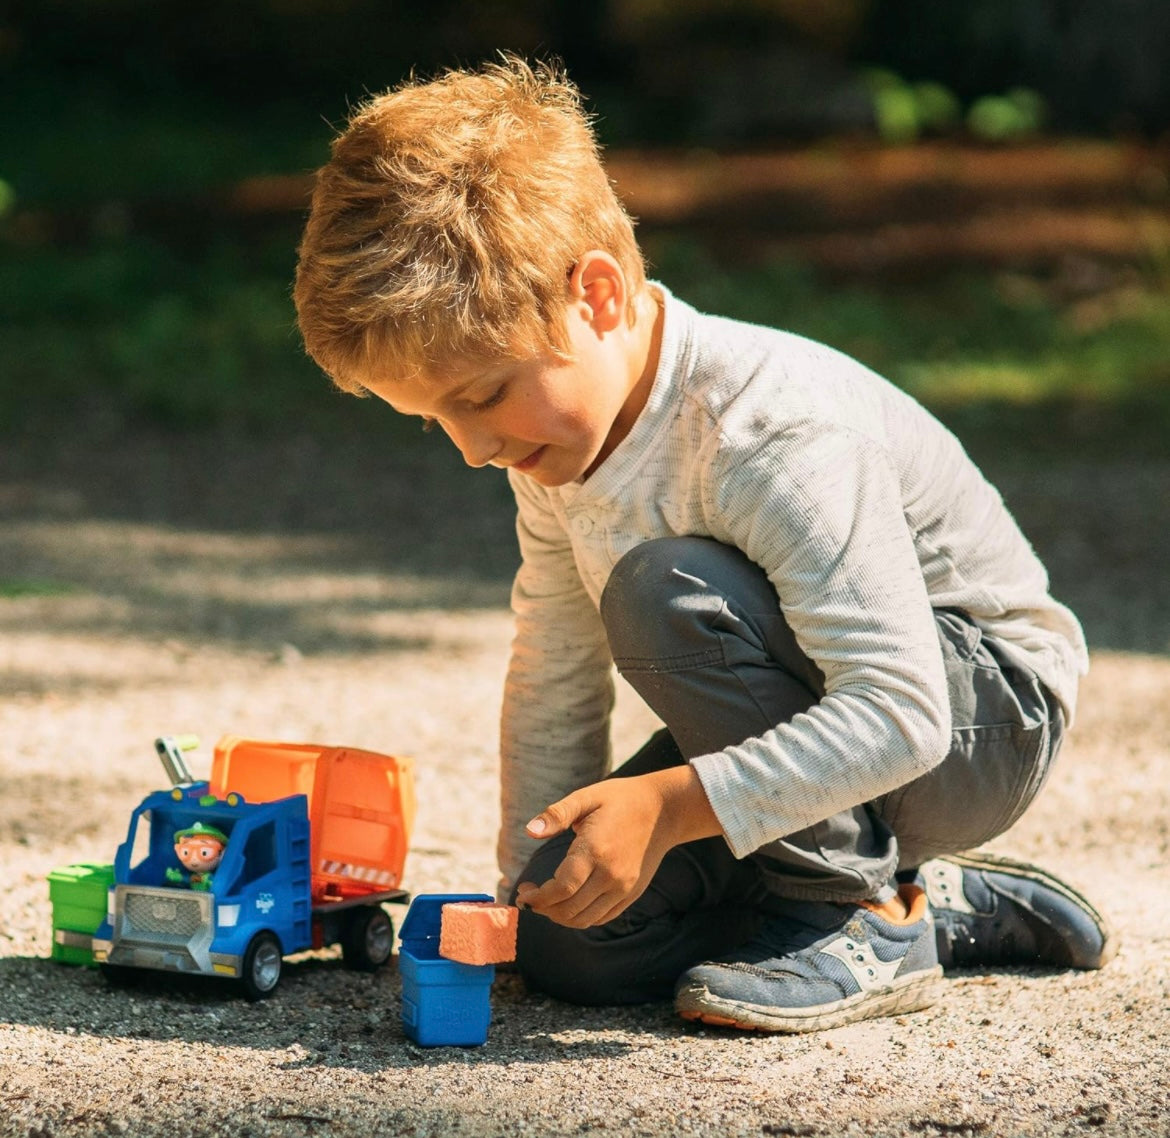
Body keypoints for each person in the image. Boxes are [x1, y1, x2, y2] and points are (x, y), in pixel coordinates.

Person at [293, 57, 1114, 1032]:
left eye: (480, 397)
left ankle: (862, 912)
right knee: (573, 934)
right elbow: (555, 668)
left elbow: (902, 711)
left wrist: (677, 806)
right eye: (433, 420)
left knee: (662, 591)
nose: (474, 449)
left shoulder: (766, 432)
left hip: (979, 722)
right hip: (830, 720)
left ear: (594, 295)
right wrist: (519, 886)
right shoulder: (556, 449)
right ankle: (930, 900)